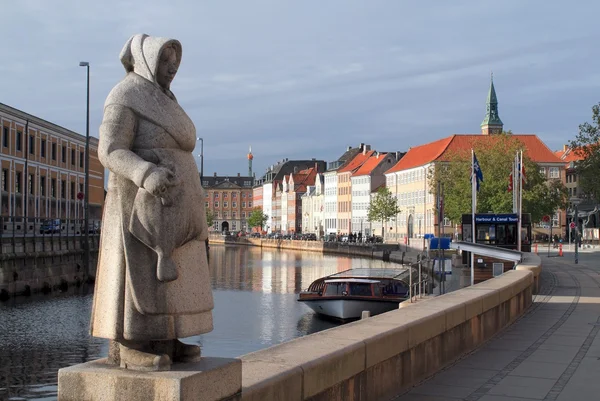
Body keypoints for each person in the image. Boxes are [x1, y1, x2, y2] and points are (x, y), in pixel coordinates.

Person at [90, 34, 213, 371]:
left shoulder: (166, 99)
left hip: (175, 204)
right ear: (147, 59)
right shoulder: (126, 94)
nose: (172, 67)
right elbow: (110, 149)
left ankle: (167, 337)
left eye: (175, 61)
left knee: (172, 278)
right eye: (164, 60)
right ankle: (129, 344)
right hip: (138, 200)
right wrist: (145, 172)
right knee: (138, 274)